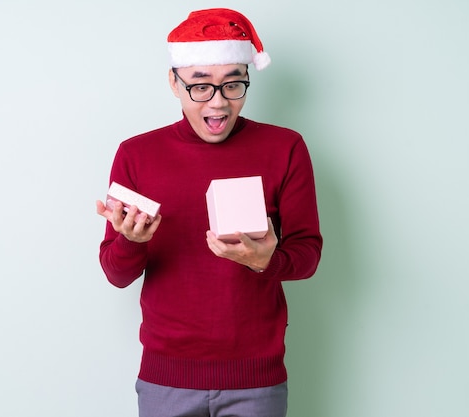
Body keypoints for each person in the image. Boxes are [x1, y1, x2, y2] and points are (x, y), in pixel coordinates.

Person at [96, 8, 322, 417]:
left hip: (257, 379)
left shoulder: (285, 148)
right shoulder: (136, 155)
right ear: (174, 82)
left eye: (233, 85)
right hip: (166, 379)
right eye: (201, 86)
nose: (218, 104)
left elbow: (307, 256)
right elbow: (116, 273)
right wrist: (131, 240)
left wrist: (266, 261)